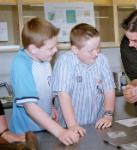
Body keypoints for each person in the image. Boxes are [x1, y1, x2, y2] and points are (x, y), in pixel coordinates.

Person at [10, 17, 79, 146]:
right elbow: (30, 107)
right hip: (27, 136)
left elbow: (44, 88)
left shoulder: (44, 58)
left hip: (44, 129)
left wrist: (49, 106)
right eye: (51, 47)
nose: (55, 50)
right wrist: (60, 132)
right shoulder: (21, 64)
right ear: (33, 49)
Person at [52, 23, 115, 135]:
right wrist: (72, 125)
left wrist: (108, 115)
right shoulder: (64, 62)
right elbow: (63, 95)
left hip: (96, 126)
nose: (96, 53)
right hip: (68, 128)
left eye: (98, 48)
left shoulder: (102, 60)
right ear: (75, 49)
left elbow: (109, 90)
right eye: (91, 50)